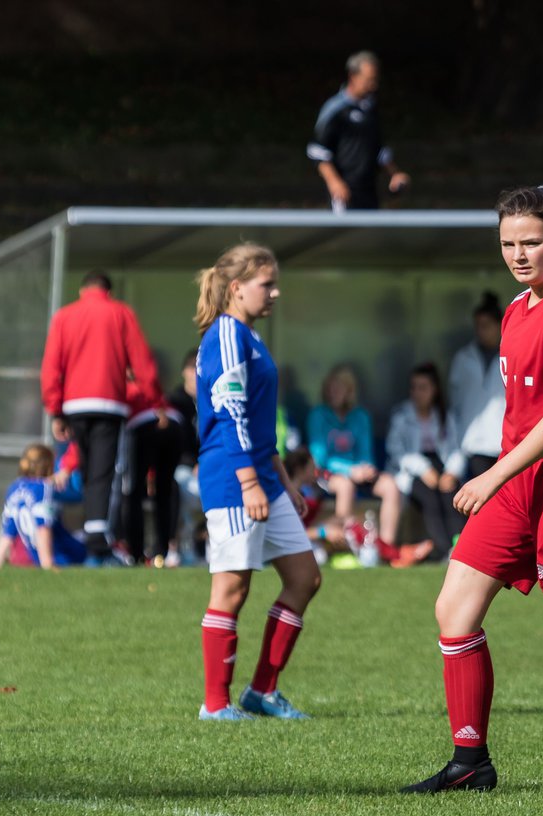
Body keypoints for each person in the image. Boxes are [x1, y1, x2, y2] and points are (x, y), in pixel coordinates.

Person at [402, 182, 543, 797]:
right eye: (508, 243)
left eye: (531, 242)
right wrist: (503, 475)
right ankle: (470, 762)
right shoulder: (517, 309)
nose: (519, 254)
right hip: (517, 482)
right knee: (454, 610)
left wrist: (493, 473)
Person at [194, 243, 322, 722]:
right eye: (266, 284)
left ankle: (261, 693)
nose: (275, 292)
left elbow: (261, 423)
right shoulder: (227, 334)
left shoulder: (248, 335)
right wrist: (249, 481)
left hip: (264, 478)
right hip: (233, 478)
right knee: (231, 590)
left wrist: (283, 481)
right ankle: (215, 705)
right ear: (236, 288)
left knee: (305, 578)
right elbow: (230, 414)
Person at [41, 270, 164, 564]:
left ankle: (93, 534)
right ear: (107, 289)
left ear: (83, 289)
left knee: (86, 468)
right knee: (103, 472)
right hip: (109, 404)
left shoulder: (64, 317)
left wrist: (55, 409)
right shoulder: (121, 313)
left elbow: (51, 366)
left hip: (73, 405)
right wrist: (155, 400)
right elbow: (142, 362)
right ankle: (98, 539)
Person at [307, 365, 426, 567]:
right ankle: (343, 545)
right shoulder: (318, 415)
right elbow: (320, 458)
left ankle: (386, 549)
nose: (333, 393)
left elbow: (365, 452)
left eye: (338, 388)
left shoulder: (360, 416)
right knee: (345, 486)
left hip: (357, 472)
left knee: (390, 485)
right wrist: (350, 470)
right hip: (328, 474)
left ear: (349, 391)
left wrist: (366, 469)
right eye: (330, 388)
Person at [307, 50, 409, 211]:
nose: (373, 85)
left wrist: (394, 173)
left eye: (375, 80)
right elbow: (316, 150)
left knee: (370, 235)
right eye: (369, 80)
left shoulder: (370, 108)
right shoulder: (335, 110)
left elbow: (378, 148)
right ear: (353, 76)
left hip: (369, 191)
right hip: (343, 193)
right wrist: (334, 182)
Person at [386, 363, 464, 562]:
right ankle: (444, 548)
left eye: (423, 387)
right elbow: (397, 453)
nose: (417, 393)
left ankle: (459, 546)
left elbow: (456, 449)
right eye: (414, 387)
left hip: (441, 465)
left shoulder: (445, 415)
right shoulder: (401, 415)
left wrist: (452, 472)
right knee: (430, 496)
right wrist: (422, 468)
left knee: (452, 493)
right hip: (411, 471)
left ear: (434, 390)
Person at [0, 443, 87, 570]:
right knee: (91, 538)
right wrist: (48, 564)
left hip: (36, 556)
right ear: (49, 465)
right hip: (61, 555)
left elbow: (7, 534)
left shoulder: (14, 488)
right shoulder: (43, 489)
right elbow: (43, 528)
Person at [124, 378, 182, 567]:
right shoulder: (154, 386)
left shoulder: (126, 387)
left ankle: (136, 553)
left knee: (135, 490)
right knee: (166, 490)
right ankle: (162, 552)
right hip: (174, 423)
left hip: (142, 424)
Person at [449, 291, 506, 480]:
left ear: (500, 325)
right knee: (480, 503)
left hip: (505, 441)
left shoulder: (513, 355)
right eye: (478, 326)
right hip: (474, 441)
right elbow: (455, 400)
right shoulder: (463, 358)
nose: (481, 331)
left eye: (486, 326)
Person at [169, 350, 204, 563]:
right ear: (184, 372)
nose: (196, 374)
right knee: (184, 488)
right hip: (180, 469)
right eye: (192, 369)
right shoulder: (175, 402)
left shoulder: (210, 401)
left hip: (206, 468)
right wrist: (193, 463)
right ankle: (178, 547)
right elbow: (175, 446)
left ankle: (203, 547)